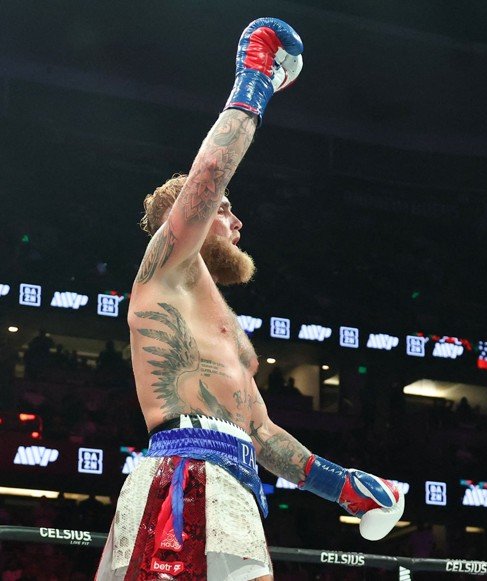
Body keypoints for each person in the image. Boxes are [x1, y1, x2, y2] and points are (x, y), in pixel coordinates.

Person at [96, 18, 403, 580]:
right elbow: (212, 170)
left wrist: (345, 487)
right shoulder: (165, 269)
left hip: (234, 480)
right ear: (184, 219)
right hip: (184, 479)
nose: (236, 220)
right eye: (222, 210)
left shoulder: (226, 327)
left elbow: (260, 433)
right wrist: (255, 75)